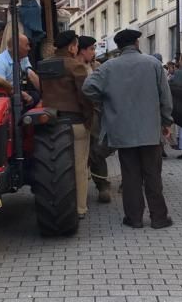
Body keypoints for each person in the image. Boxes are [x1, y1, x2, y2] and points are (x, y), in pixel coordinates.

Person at [83, 28, 173, 230]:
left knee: (130, 176)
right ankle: (159, 218)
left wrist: (105, 102)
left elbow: (87, 88)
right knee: (153, 175)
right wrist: (166, 121)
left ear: (118, 46)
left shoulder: (108, 67)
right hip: (150, 130)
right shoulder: (153, 64)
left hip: (122, 131)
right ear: (137, 43)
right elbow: (165, 97)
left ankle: (134, 219)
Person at [39, 31, 93, 220]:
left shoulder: (43, 66)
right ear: (71, 47)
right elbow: (84, 96)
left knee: (55, 167)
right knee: (79, 166)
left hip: (51, 122)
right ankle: (79, 208)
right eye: (76, 45)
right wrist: (89, 120)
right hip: (75, 122)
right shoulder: (76, 66)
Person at [76, 35, 113, 204]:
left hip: (96, 113)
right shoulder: (74, 67)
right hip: (79, 115)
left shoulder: (96, 66)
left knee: (97, 148)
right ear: (82, 50)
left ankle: (102, 186)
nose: (94, 52)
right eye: (91, 48)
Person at [0, 34, 41, 107]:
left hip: (16, 91)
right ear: (16, 47)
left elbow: (31, 75)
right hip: (0, 95)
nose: (29, 48)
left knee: (35, 96)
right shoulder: (0, 62)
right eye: (27, 45)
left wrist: (45, 94)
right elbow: (1, 86)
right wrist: (24, 95)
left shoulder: (23, 57)